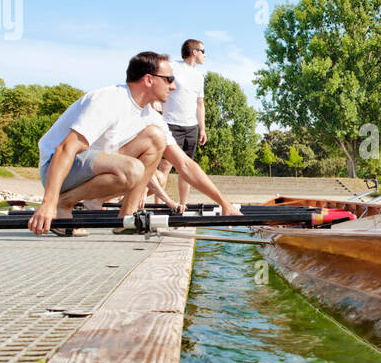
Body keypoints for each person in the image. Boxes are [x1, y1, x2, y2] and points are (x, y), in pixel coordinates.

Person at [29, 51, 240, 235]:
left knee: (155, 141)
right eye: (168, 79)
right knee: (133, 169)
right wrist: (47, 202)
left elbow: (184, 164)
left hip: (98, 168)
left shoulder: (152, 117)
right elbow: (65, 148)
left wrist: (224, 203)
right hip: (57, 171)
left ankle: (126, 219)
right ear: (149, 80)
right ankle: (61, 203)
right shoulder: (108, 99)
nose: (174, 86)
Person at [156, 38, 206, 209]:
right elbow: (159, 84)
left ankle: (182, 206)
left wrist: (202, 128)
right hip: (171, 123)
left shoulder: (199, 77)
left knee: (186, 169)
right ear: (194, 51)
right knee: (164, 166)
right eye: (203, 51)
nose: (205, 56)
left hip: (191, 127)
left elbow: (200, 104)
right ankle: (159, 205)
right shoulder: (173, 67)